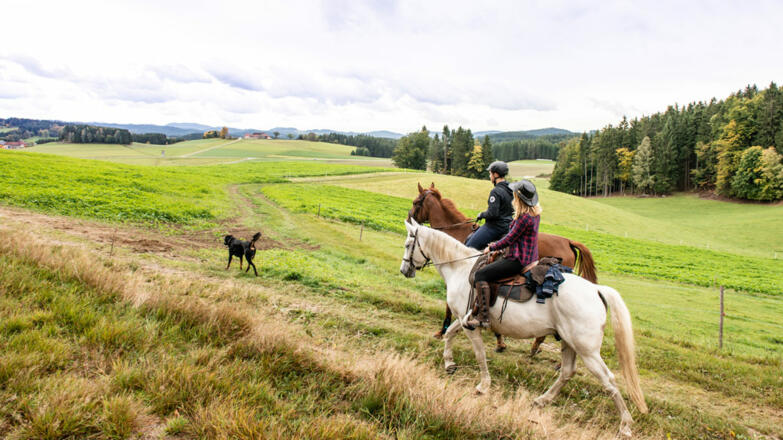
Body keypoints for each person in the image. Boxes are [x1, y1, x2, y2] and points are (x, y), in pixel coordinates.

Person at [464, 179, 541, 329]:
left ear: (518, 198)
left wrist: (492, 247)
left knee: (480, 275)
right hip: (530, 257)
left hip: (517, 260)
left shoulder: (523, 218)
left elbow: (510, 238)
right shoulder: (534, 214)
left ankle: (483, 317)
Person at [465, 161, 514, 251]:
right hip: (508, 226)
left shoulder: (496, 191)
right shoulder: (511, 189)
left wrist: (481, 215)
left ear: (495, 174)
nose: (490, 176)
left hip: (495, 227)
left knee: (467, 249)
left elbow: (493, 213)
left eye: (490, 174)